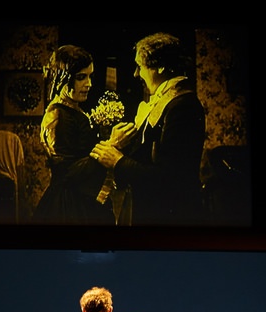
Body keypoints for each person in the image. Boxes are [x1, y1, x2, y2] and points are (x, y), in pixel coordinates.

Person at [90, 32, 206, 226]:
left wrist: (118, 161)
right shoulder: (163, 102)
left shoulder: (182, 106)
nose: (136, 74)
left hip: (169, 218)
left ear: (160, 67)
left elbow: (170, 178)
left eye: (140, 66)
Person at [32, 45, 125, 225]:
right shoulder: (58, 115)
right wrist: (112, 144)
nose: (89, 84)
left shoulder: (71, 109)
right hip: (69, 205)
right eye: (81, 77)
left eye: (90, 76)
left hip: (81, 198)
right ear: (63, 78)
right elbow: (68, 172)